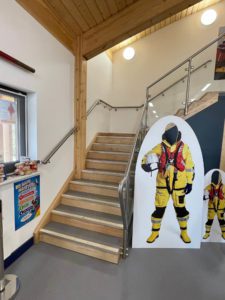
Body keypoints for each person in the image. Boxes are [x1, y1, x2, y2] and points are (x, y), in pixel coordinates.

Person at [141, 123, 195, 244]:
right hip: (162, 185)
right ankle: (155, 232)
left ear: (177, 133)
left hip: (179, 186)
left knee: (181, 210)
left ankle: (184, 232)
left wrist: (190, 182)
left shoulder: (185, 148)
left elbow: (190, 166)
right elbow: (146, 156)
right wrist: (145, 165)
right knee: (159, 209)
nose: (171, 135)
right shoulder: (160, 147)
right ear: (165, 134)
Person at [203, 170, 225, 240]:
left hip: (220, 208)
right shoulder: (210, 186)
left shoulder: (224, 187)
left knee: (222, 221)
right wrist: (206, 196)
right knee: (209, 221)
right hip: (211, 208)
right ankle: (207, 233)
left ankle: (224, 233)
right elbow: (204, 192)